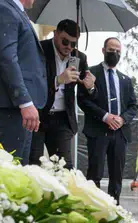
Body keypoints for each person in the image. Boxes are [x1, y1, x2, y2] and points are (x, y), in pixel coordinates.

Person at [0, 0, 47, 165]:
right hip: (11, 106)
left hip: (17, 108)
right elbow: (7, 59)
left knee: (19, 168)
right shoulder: (2, 10)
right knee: (10, 169)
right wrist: (25, 102)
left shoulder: (15, 12)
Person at [29, 19, 96, 168]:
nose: (69, 47)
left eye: (74, 44)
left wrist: (90, 87)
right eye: (65, 41)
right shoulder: (40, 49)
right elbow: (32, 81)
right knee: (34, 164)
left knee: (64, 167)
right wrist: (58, 80)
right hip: (38, 115)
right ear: (55, 34)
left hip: (62, 118)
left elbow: (87, 92)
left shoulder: (79, 58)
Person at [79, 37, 138, 201]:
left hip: (120, 134)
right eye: (112, 50)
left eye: (118, 51)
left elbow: (133, 106)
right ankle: (92, 207)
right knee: (94, 174)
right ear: (104, 50)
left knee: (116, 176)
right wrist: (105, 117)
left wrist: (122, 119)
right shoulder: (91, 73)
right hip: (98, 131)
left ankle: (114, 210)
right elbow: (83, 100)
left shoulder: (125, 80)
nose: (115, 53)